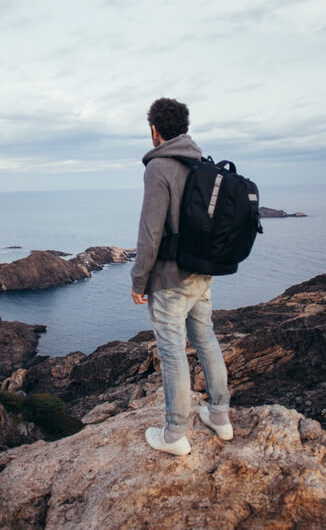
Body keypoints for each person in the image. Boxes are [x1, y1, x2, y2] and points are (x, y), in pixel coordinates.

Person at [130, 97, 233, 456]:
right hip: (202, 272)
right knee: (205, 338)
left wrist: (138, 281)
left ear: (155, 131)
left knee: (172, 350)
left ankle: (174, 434)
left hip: (171, 278)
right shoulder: (199, 164)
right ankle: (220, 415)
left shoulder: (158, 168)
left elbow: (150, 232)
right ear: (184, 129)